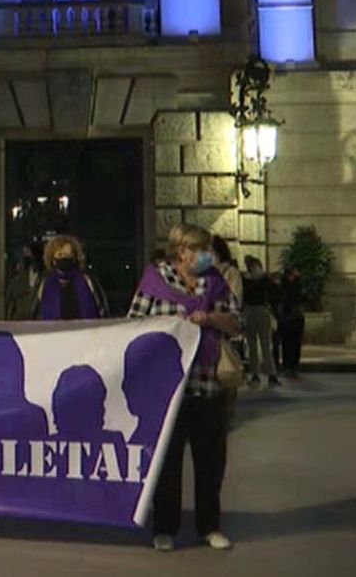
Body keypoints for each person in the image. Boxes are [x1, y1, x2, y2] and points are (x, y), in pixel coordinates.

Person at [129, 223, 242, 553]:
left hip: (207, 384)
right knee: (168, 461)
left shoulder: (216, 283)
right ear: (182, 252)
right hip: (167, 390)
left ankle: (210, 526)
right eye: (201, 249)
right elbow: (134, 324)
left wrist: (210, 319)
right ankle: (165, 527)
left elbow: (237, 323)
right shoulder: (154, 282)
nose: (208, 255)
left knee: (211, 461)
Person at [35, 236, 108, 321]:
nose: (64, 258)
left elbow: (102, 308)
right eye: (60, 254)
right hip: (53, 332)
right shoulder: (45, 283)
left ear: (75, 257)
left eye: (68, 254)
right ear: (53, 260)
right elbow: (35, 312)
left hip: (85, 331)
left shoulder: (87, 280)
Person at [239, 255, 277, 387]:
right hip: (258, 310)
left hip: (253, 310)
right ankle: (267, 374)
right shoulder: (261, 279)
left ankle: (260, 374)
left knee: (258, 344)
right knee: (259, 345)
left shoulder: (246, 280)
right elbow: (274, 292)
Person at [276, 267, 307, 379]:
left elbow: (304, 298)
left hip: (296, 317)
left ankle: (294, 366)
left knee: (296, 344)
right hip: (287, 318)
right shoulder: (284, 286)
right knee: (287, 344)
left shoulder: (299, 285)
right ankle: (288, 367)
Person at [6, 240, 45, 321]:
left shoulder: (46, 276)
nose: (26, 256)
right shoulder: (19, 276)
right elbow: (12, 300)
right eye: (24, 253)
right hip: (19, 320)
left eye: (28, 253)